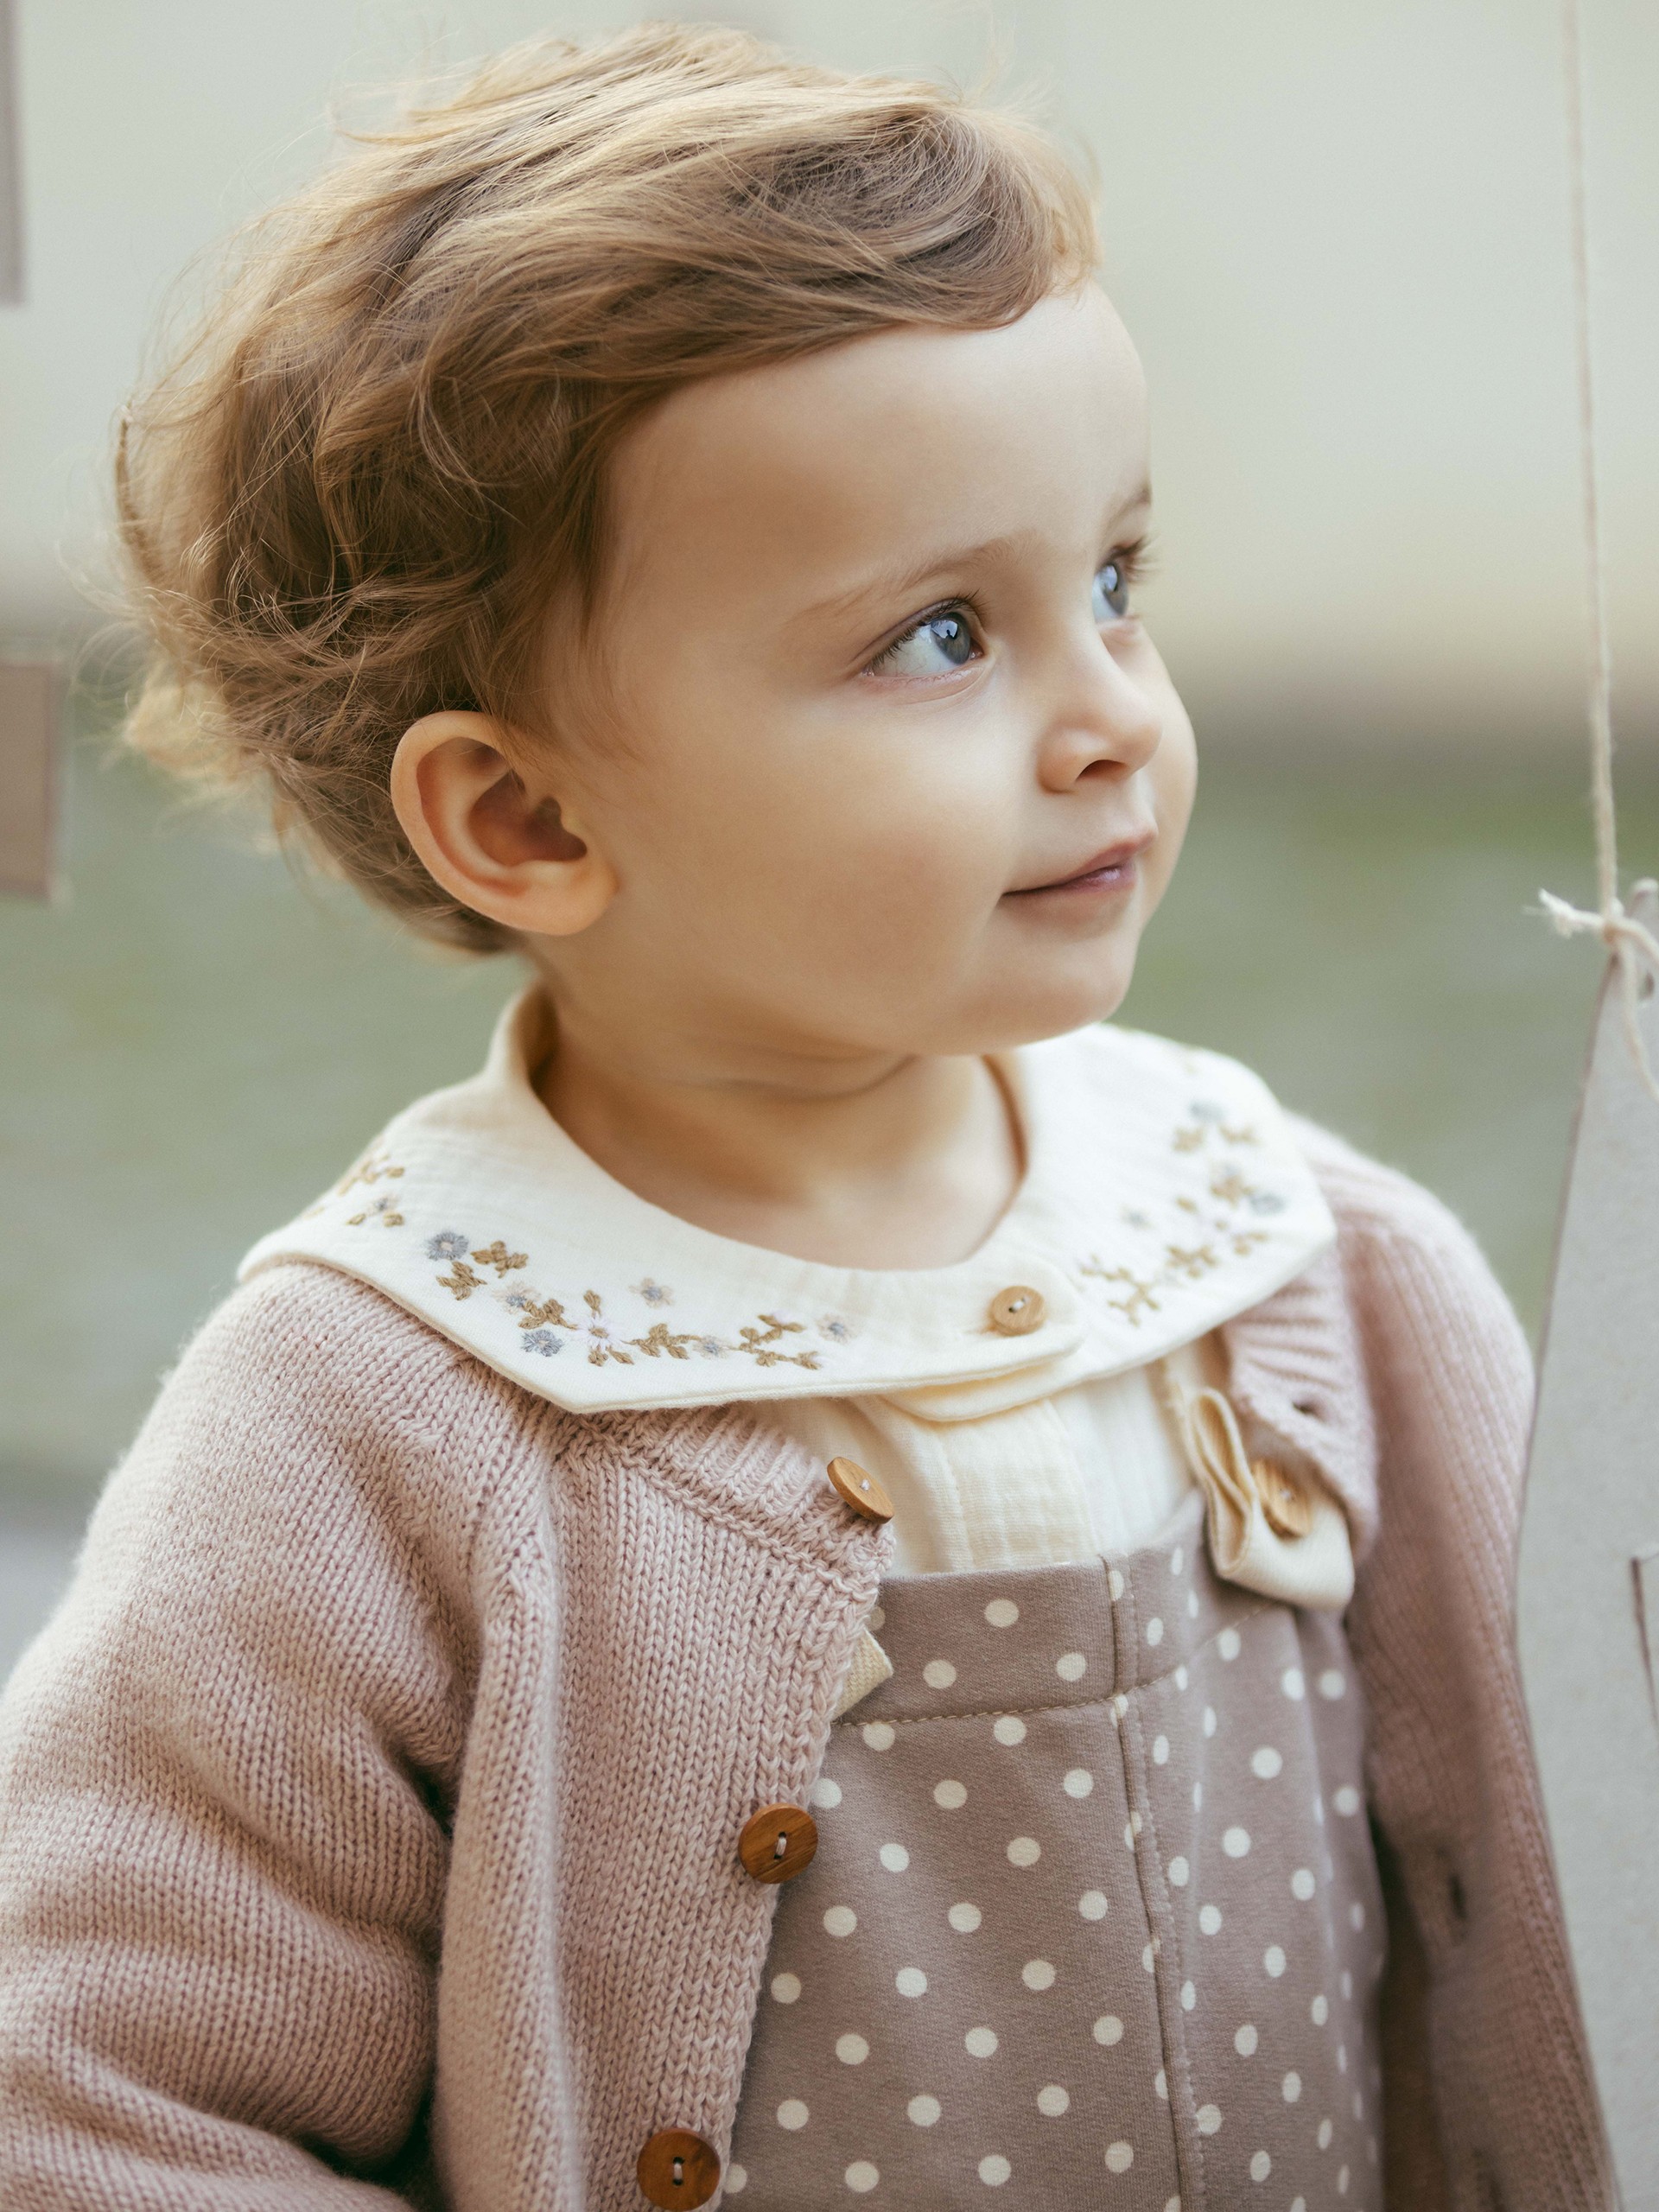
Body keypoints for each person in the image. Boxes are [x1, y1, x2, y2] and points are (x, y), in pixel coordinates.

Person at [0, 23, 1611, 2210]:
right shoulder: (385, 1408)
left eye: (1115, 580)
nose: (1110, 719)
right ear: (525, 813)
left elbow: (1571, 1926)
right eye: (944, 634)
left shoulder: (1303, 1270)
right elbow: (96, 2098)